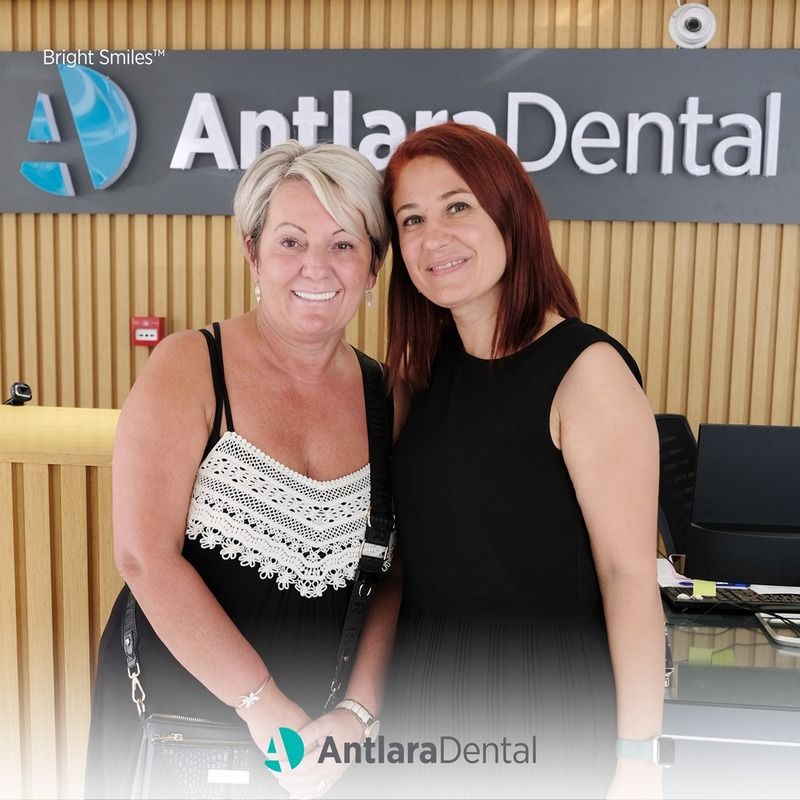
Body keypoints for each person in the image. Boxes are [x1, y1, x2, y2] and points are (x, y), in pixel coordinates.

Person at [84, 141, 401, 799]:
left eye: (344, 245)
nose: (317, 266)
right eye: (291, 241)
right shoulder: (188, 366)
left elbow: (397, 576)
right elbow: (143, 556)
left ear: (374, 266)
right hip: (179, 709)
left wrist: (359, 715)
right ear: (253, 253)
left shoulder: (389, 397)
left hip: (321, 733)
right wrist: (260, 703)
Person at [381, 122, 664, 799]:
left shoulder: (586, 371)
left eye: (458, 206)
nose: (433, 237)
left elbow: (628, 577)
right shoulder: (422, 371)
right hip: (420, 684)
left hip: (547, 697)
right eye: (411, 219)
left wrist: (637, 758)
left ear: (511, 215)